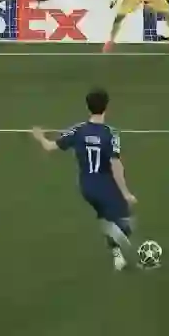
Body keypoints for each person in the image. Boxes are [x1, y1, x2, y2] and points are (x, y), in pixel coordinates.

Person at [32, 88, 137, 272]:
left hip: (86, 186)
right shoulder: (111, 133)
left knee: (108, 218)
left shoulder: (78, 130)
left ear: (88, 107)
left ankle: (117, 255)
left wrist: (40, 137)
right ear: (107, 107)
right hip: (105, 185)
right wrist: (126, 192)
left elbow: (49, 147)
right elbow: (116, 166)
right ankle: (134, 253)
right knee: (125, 221)